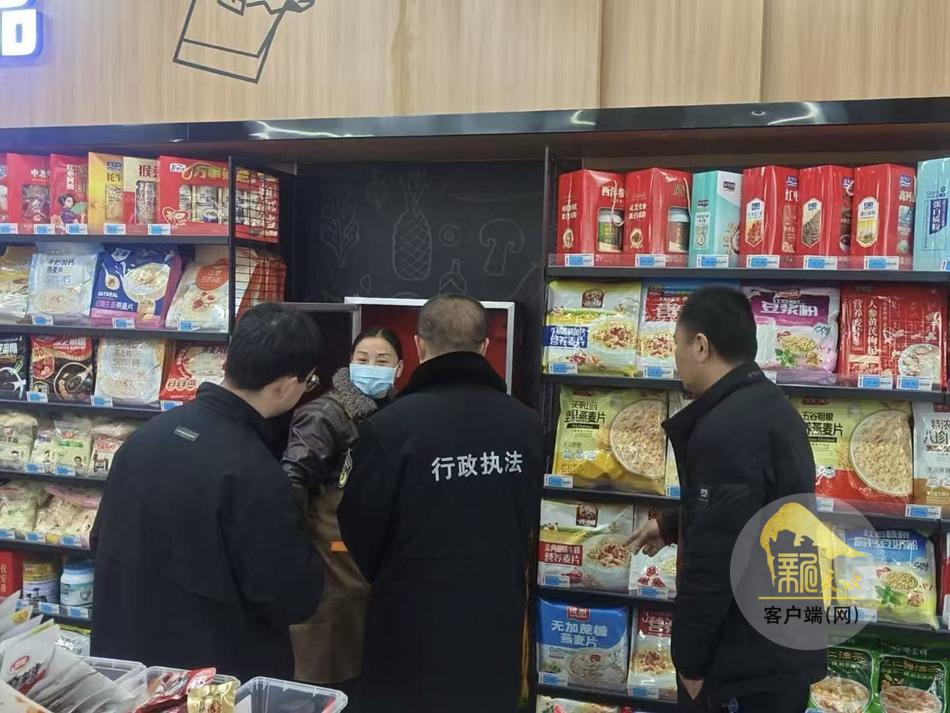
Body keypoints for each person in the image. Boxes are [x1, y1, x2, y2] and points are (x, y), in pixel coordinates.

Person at [90, 302, 326, 682]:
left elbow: (99, 540)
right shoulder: (255, 471)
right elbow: (289, 597)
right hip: (211, 682)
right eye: (307, 382)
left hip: (127, 668)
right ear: (284, 385)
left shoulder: (143, 439)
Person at [338, 295, 541, 713]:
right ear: (484, 346)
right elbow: (529, 516)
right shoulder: (527, 425)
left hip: (409, 620)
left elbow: (359, 526)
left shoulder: (388, 427)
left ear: (418, 346)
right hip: (495, 617)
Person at [628, 286, 825, 712]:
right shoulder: (770, 406)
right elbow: (750, 508)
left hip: (744, 661)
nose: (675, 357)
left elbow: (714, 562)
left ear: (701, 346)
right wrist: (672, 524)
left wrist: (690, 661)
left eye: (677, 345)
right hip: (778, 648)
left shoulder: (725, 429)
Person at [282, 327, 404, 703]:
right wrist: (294, 548)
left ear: (399, 368)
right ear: (349, 363)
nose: (371, 367)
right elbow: (292, 480)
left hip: (364, 560)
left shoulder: (395, 411)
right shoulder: (325, 413)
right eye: (362, 359)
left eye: (382, 361)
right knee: (324, 664)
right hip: (329, 559)